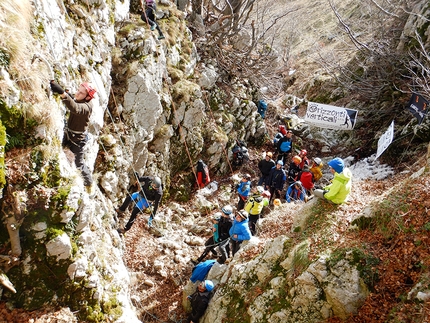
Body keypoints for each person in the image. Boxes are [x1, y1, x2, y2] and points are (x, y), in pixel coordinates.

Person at [50, 80, 97, 189]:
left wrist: (63, 94)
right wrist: (65, 93)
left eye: (81, 93)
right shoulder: (81, 99)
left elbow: (75, 108)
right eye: (78, 91)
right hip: (69, 133)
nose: (77, 94)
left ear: (88, 97)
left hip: (77, 140)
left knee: (78, 164)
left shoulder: (86, 107)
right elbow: (74, 100)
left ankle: (89, 183)